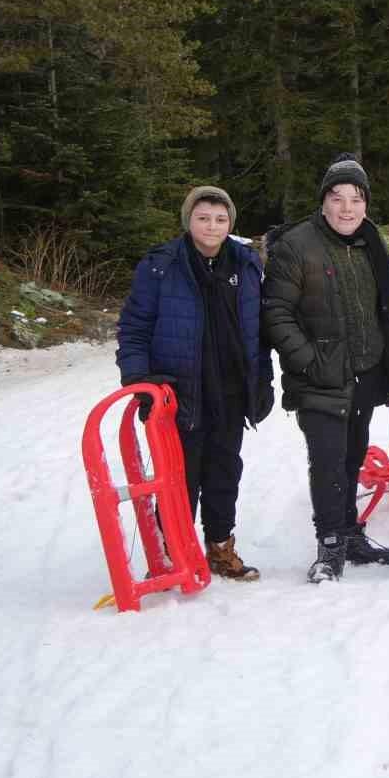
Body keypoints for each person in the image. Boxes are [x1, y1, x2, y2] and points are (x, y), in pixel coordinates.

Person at [262, 154, 389, 583]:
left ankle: (350, 533)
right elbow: (275, 313)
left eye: (356, 199)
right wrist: (309, 360)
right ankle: (329, 546)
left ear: (365, 204)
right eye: (338, 198)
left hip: (365, 373)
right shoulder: (297, 246)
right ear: (323, 202)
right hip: (319, 379)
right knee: (327, 462)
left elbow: (385, 308)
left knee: (350, 459)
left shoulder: (369, 241)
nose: (347, 208)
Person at [116, 186, 275, 580]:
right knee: (180, 478)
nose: (212, 226)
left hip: (230, 391)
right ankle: (175, 555)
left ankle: (221, 548)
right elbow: (134, 329)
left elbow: (260, 330)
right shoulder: (161, 265)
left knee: (224, 473)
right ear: (188, 220)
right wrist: (140, 381)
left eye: (221, 219)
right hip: (179, 393)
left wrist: (262, 380)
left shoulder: (245, 264)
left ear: (231, 224)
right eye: (203, 218)